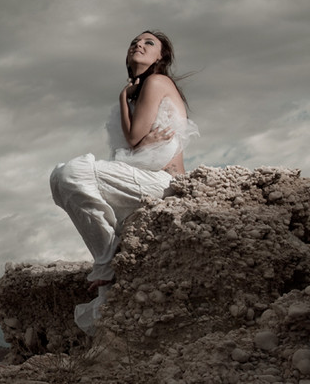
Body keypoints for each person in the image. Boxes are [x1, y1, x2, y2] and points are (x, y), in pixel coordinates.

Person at [49, 30, 199, 334]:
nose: (138, 45)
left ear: (161, 57)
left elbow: (131, 141)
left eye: (149, 43)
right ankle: (110, 344)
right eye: (135, 41)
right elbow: (132, 149)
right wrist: (127, 108)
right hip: (142, 178)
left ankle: (105, 263)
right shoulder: (137, 94)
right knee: (59, 180)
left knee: (70, 174)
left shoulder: (157, 82)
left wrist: (122, 99)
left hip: (164, 184)